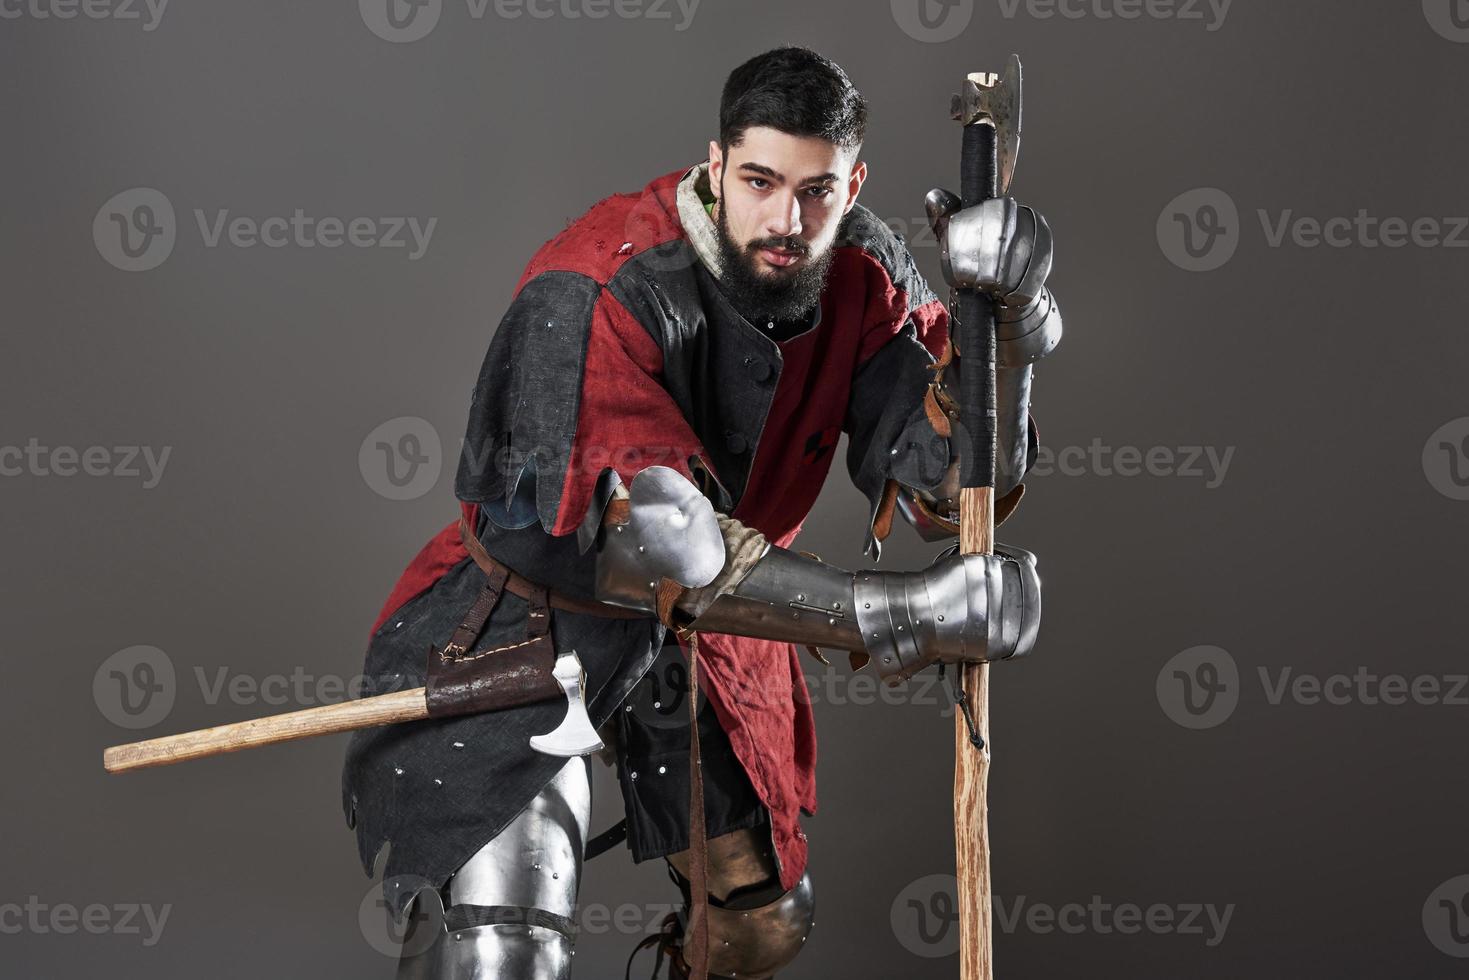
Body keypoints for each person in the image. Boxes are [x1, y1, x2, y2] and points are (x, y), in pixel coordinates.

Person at [343, 44, 1061, 980]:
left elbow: (945, 484)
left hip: (710, 631)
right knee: (497, 951)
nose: (787, 220)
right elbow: (657, 545)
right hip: (528, 618)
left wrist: (1009, 332)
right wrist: (905, 615)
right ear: (716, 168)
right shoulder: (597, 285)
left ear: (854, 184)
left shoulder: (863, 269)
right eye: (760, 181)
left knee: (760, 928)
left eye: (817, 191)